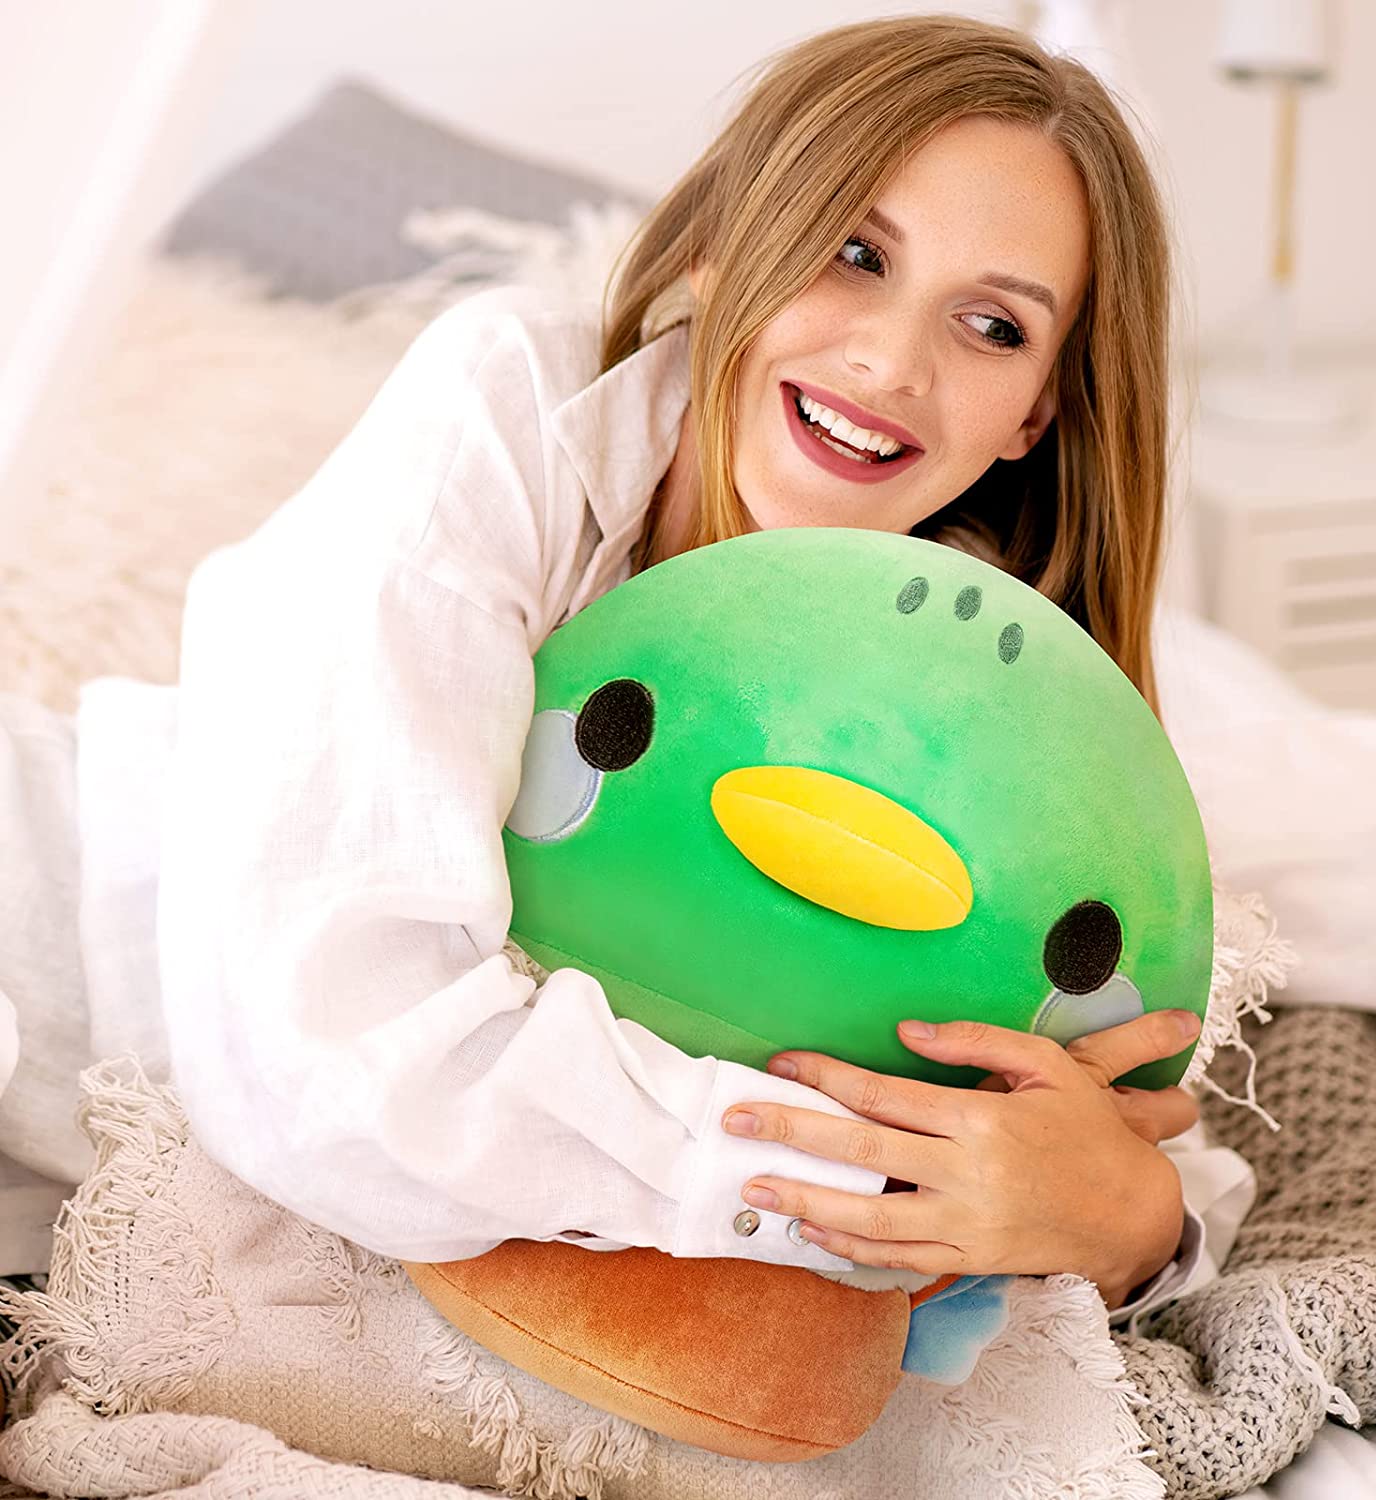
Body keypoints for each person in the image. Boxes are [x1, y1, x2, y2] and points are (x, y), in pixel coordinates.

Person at [0, 16, 1208, 1314]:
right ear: (718, 245)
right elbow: (339, 1065)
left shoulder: (997, 702)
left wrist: (1132, 1230)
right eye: (854, 254)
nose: (890, 362)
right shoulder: (511, 401)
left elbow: (1110, 1150)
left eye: (993, 325)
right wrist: (897, 1191)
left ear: (1036, 410)